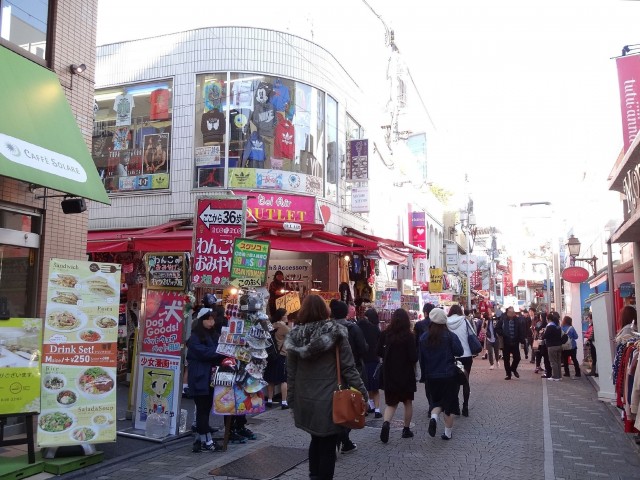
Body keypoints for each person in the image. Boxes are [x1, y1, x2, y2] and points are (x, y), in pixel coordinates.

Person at [285, 294, 367, 480]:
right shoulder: (336, 333)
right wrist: (362, 392)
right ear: (325, 310)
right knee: (328, 445)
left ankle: (314, 476)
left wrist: (291, 400)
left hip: (305, 398)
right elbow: (348, 367)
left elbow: (291, 373)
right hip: (331, 399)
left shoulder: (294, 337)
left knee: (315, 439)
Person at [419, 308, 463, 440]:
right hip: (449, 375)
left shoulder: (424, 337)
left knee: (436, 402)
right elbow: (459, 351)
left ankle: (433, 417)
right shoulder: (450, 336)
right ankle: (447, 434)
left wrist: (424, 376)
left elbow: (421, 359)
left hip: (431, 376)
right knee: (448, 405)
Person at [330, 299, 368, 454]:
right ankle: (341, 439)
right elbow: (363, 348)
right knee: (351, 405)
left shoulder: (327, 328)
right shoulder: (353, 328)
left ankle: (342, 440)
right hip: (352, 370)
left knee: (337, 405)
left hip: (332, 373)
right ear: (346, 312)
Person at [377, 308, 418, 443]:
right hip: (406, 374)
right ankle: (406, 430)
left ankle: (386, 423)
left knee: (391, 403)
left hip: (389, 374)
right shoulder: (409, 336)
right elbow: (413, 357)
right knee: (407, 402)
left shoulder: (385, 334)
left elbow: (378, 352)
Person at [186, 308, 223, 452]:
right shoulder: (195, 337)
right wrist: (220, 351)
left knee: (205, 409)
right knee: (202, 410)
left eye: (213, 319)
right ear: (201, 320)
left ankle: (201, 440)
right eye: (209, 319)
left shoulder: (211, 334)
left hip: (207, 378)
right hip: (199, 378)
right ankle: (207, 442)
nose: (212, 322)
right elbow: (205, 353)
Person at [446, 304, 473, 416]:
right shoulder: (465, 321)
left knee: (454, 382)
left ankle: (455, 406)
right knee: (465, 381)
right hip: (466, 355)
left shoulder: (446, 322)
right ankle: (465, 407)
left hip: (453, 356)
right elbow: (473, 334)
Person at [357, 307, 383, 418]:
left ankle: (370, 406)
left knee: (366, 387)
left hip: (363, 360)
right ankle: (376, 409)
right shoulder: (376, 330)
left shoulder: (359, 327)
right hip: (374, 360)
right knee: (374, 387)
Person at [264, 308, 291, 409]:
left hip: (271, 355)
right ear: (282, 316)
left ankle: (270, 400)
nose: (287, 316)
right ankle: (284, 402)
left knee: (270, 379)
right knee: (283, 379)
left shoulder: (271, 325)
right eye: (286, 314)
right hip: (281, 355)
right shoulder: (283, 326)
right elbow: (292, 335)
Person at [496, 306, 526, 380]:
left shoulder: (517, 320)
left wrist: (522, 341)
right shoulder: (503, 319)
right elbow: (497, 328)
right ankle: (508, 374)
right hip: (506, 342)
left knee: (517, 358)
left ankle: (513, 368)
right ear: (507, 312)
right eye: (511, 312)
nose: (513, 313)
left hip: (515, 342)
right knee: (506, 359)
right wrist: (503, 334)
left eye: (513, 312)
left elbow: (520, 331)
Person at [414, 303, 435, 408]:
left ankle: (431, 404)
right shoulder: (437, 324)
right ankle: (436, 403)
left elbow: (416, 342)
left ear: (425, 312)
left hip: (423, 356)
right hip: (436, 355)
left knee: (427, 380)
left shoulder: (419, 325)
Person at [543, 311, 564, 381]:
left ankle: (555, 376)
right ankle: (559, 376)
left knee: (553, 362)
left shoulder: (549, 327)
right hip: (559, 345)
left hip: (552, 346)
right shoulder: (557, 326)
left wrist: (542, 334)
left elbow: (545, 336)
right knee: (558, 361)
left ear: (548, 319)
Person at [585, 313, 598, 377]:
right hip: (593, 343)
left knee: (594, 357)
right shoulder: (592, 325)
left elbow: (591, 336)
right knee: (594, 357)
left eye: (589, 318)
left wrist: (587, 336)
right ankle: (594, 371)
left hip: (594, 343)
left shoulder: (593, 326)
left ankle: (594, 371)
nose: (589, 320)